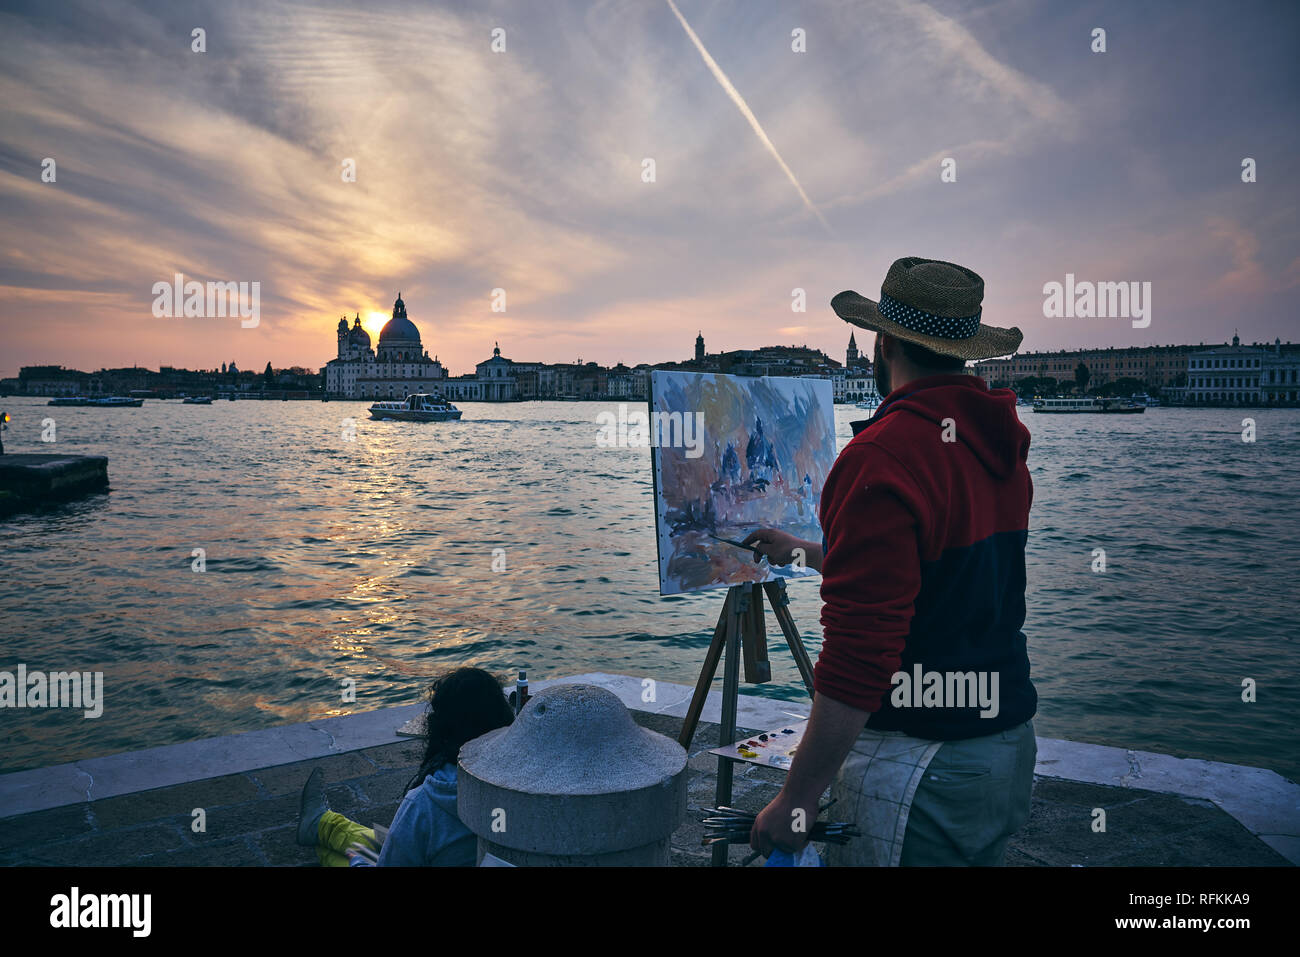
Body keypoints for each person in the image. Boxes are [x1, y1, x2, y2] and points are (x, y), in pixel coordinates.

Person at [745, 257, 1037, 866]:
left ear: (883, 342)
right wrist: (804, 553)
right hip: (1002, 744)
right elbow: (935, 582)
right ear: (963, 351)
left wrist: (796, 802)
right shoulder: (998, 444)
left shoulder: (882, 455)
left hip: (924, 763)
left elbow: (861, 649)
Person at [296, 667, 514, 866]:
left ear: (439, 729)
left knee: (345, 856)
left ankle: (322, 829)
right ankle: (323, 824)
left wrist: (357, 863)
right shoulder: (520, 788)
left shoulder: (425, 804)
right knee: (389, 841)